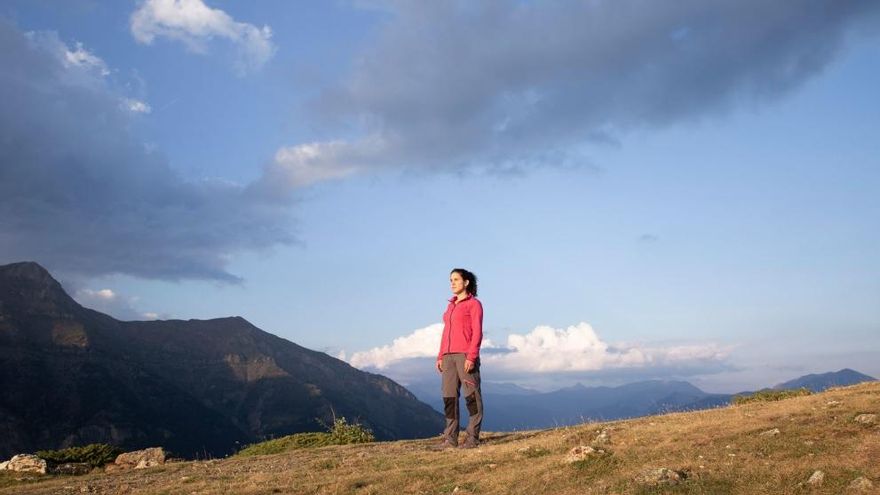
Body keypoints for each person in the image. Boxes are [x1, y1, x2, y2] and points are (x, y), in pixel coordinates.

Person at [435, 268, 484, 449]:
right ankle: (450, 439)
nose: (452, 283)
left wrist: (471, 356)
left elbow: (477, 332)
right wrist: (440, 355)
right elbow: (446, 333)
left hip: (465, 355)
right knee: (449, 398)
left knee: (472, 397)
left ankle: (472, 438)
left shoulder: (474, 304)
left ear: (466, 282)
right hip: (448, 357)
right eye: (451, 280)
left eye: (456, 279)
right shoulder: (451, 306)